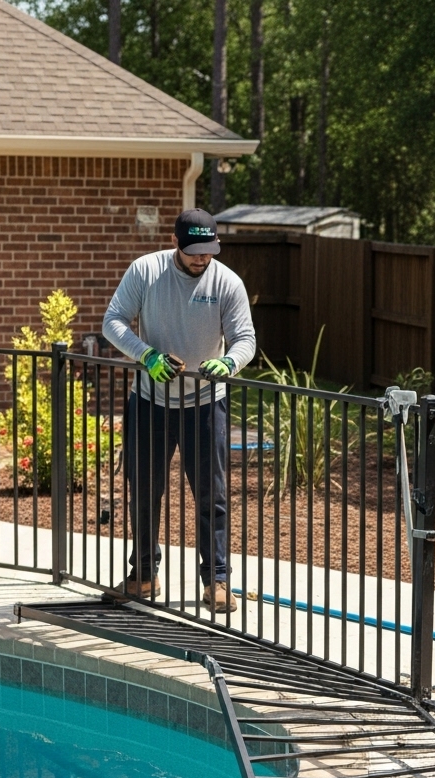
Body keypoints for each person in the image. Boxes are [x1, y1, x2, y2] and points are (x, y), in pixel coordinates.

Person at [103, 209, 256, 612]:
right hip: (149, 402)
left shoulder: (227, 283)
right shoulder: (145, 271)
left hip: (205, 404)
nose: (202, 258)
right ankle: (143, 575)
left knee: (211, 495)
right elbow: (113, 321)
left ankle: (217, 580)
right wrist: (146, 355)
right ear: (175, 242)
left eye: (209, 251)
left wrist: (229, 363)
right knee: (144, 491)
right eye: (194, 251)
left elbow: (245, 338)